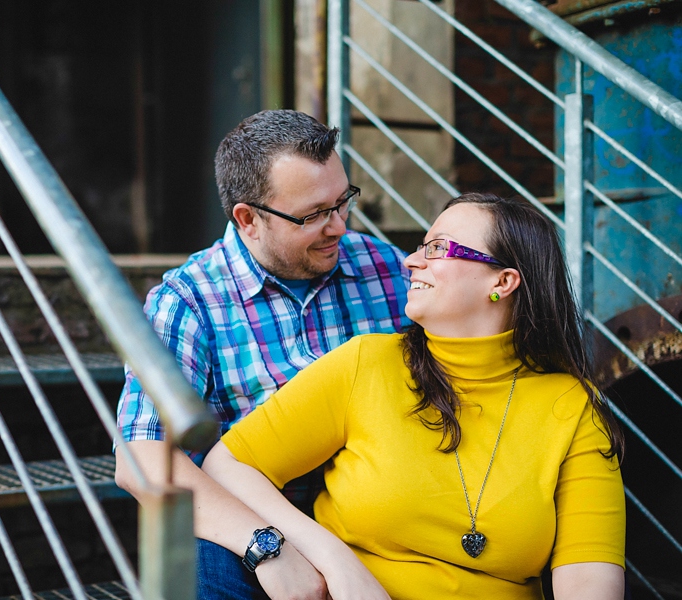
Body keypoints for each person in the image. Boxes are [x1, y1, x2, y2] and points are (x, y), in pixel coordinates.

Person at [203, 192, 626, 599]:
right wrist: (332, 558)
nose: (410, 261)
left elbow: (589, 579)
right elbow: (229, 463)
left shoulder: (572, 407)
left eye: (437, 249)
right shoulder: (366, 365)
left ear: (502, 281)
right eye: (420, 246)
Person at [114, 109, 411, 599]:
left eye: (343, 203)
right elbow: (141, 457)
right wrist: (266, 546)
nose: (338, 227)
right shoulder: (188, 299)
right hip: (249, 517)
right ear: (248, 219)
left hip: (374, 503)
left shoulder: (384, 267)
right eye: (314, 214)